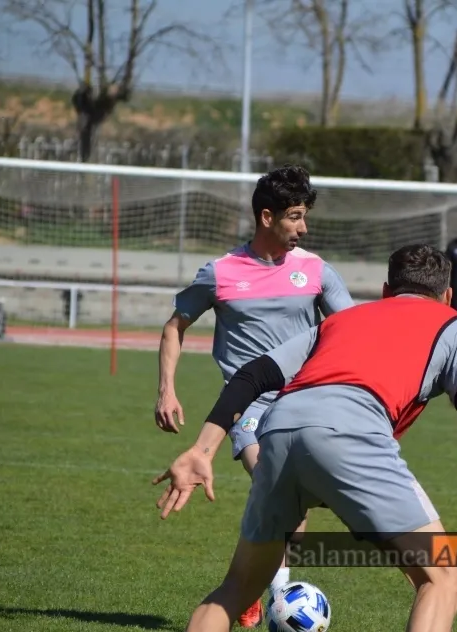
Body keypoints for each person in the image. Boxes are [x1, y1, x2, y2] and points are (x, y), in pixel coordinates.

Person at [152, 243, 457, 632]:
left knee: (237, 587)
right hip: (350, 434)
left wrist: (202, 449)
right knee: (444, 580)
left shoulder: (343, 320)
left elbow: (252, 376)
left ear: (386, 291)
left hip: (278, 430)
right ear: (448, 296)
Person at [153, 164, 355, 628]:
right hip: (247, 406)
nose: (304, 228)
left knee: (294, 499)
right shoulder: (220, 272)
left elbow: (352, 332)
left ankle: (260, 581)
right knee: (275, 477)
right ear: (267, 217)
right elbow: (174, 327)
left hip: (305, 402)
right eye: (295, 217)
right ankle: (274, 592)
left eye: (304, 217)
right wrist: (167, 390)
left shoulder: (316, 270)